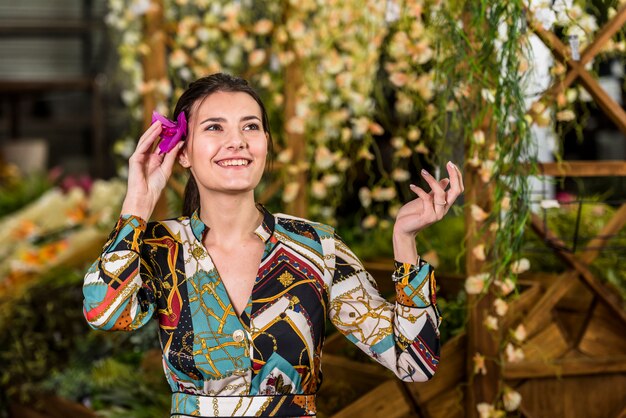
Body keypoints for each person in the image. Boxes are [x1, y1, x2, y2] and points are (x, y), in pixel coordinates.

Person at [82, 73, 464, 418]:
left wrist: (405, 239)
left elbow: (414, 361)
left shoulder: (316, 247)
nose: (237, 142)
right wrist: (137, 206)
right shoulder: (159, 247)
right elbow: (105, 313)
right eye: (215, 127)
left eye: (251, 126)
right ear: (182, 151)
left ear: (266, 143)